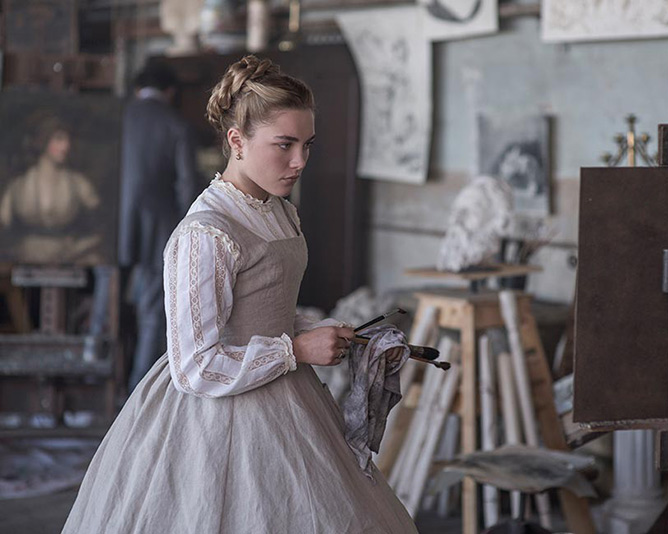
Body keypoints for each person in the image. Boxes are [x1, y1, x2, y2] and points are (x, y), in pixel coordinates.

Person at [63, 56, 418, 533]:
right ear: (237, 141)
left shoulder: (280, 211)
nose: (299, 161)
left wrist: (324, 332)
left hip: (289, 396)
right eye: (284, 145)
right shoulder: (205, 234)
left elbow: (263, 310)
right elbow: (195, 367)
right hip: (217, 413)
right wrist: (297, 349)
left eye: (307, 145)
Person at [119, 60, 201, 391]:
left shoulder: (117, 119)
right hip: (160, 228)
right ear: (170, 91)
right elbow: (187, 188)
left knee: (104, 305)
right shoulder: (177, 125)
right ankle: (136, 392)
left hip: (110, 227)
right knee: (153, 311)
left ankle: (96, 379)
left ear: (138, 88)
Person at [0, 116, 102, 264]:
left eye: (68, 140)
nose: (66, 146)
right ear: (43, 141)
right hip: (26, 257)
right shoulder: (18, 185)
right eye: (59, 139)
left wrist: (79, 247)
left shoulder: (78, 183)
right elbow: (4, 223)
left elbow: (100, 225)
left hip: (69, 255)